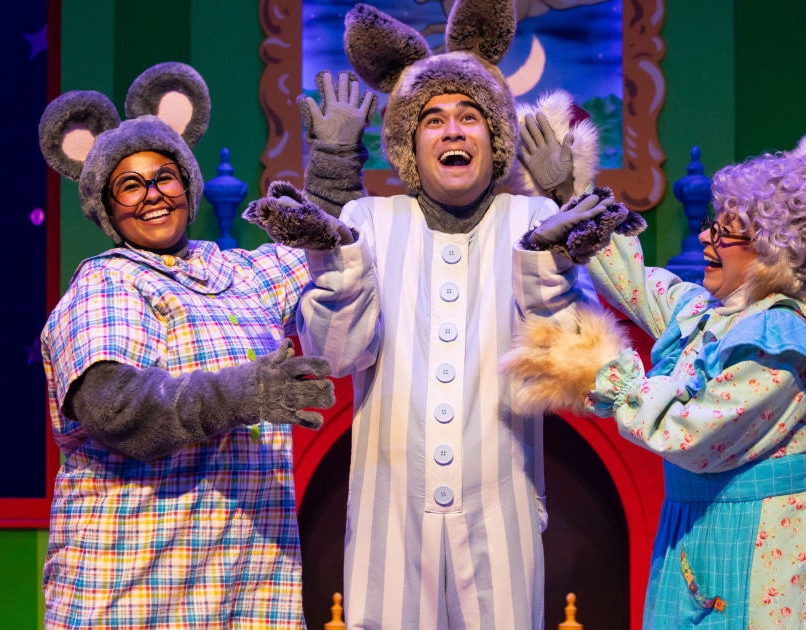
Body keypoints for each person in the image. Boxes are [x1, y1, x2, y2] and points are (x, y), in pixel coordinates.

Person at [242, 0, 641, 627]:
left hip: (499, 517)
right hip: (389, 522)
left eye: (470, 116)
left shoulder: (530, 222)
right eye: (432, 119)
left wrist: (546, 252)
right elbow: (340, 353)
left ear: (495, 138)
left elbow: (570, 362)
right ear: (408, 145)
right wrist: (340, 259)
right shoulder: (369, 222)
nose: (452, 130)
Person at [502, 87, 806, 628]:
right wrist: (569, 191)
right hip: (709, 538)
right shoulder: (707, 311)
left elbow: (687, 433)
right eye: (714, 223)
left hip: (786, 561)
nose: (706, 236)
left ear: (772, 252)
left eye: (726, 230)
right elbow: (632, 280)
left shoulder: (779, 341)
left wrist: (605, 369)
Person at [36, 62, 335, 628]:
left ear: (188, 185)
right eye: (130, 184)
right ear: (106, 206)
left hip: (245, 586)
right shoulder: (109, 281)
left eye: (164, 176)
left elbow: (328, 258)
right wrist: (243, 392)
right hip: (134, 589)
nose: (152, 194)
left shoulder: (238, 274)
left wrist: (336, 165)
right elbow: (115, 407)